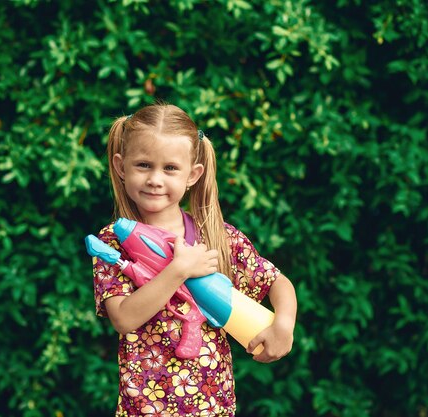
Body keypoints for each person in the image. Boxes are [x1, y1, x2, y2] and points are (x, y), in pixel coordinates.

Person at [92, 102, 297, 416]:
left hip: (212, 405)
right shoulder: (114, 242)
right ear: (121, 167)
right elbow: (124, 318)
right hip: (145, 408)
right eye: (143, 165)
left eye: (170, 168)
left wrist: (283, 325)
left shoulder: (215, 235)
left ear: (193, 174)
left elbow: (276, 282)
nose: (155, 179)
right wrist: (179, 269)